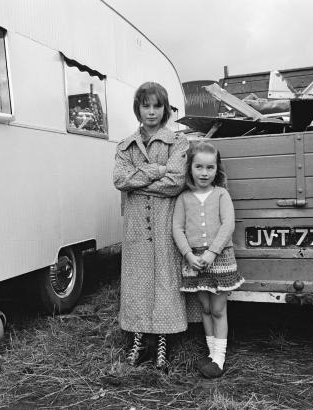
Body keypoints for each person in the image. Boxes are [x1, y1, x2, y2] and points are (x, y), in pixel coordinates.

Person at [113, 82, 199, 371]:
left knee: (165, 276)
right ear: (137, 108)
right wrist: (156, 170)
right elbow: (119, 180)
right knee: (137, 278)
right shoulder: (125, 145)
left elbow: (175, 182)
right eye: (145, 105)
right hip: (136, 225)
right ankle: (138, 337)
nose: (151, 112)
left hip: (165, 223)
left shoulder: (179, 142)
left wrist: (140, 181)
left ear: (165, 109)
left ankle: (162, 337)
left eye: (157, 106)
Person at [172, 141, 244, 378]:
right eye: (199, 167)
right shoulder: (183, 197)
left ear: (217, 169)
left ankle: (219, 359)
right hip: (195, 261)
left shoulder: (221, 194)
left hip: (220, 258)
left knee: (218, 309)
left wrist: (212, 253)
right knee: (204, 307)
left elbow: (228, 225)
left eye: (210, 168)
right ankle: (211, 354)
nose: (204, 173)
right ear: (190, 168)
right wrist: (189, 255)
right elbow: (177, 228)